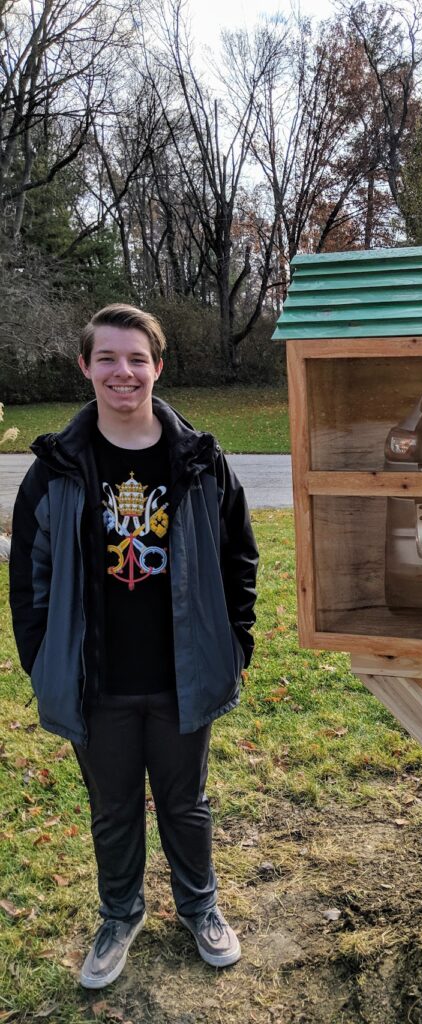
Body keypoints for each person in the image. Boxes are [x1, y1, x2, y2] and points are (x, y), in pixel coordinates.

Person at [9, 304, 258, 989]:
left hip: (183, 675)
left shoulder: (199, 461)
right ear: (86, 367)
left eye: (137, 358)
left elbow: (240, 555)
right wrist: (43, 662)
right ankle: (119, 915)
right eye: (109, 358)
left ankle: (200, 907)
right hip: (97, 681)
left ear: (159, 366)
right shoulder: (56, 470)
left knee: (187, 803)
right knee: (112, 807)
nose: (124, 372)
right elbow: (28, 578)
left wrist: (237, 641)